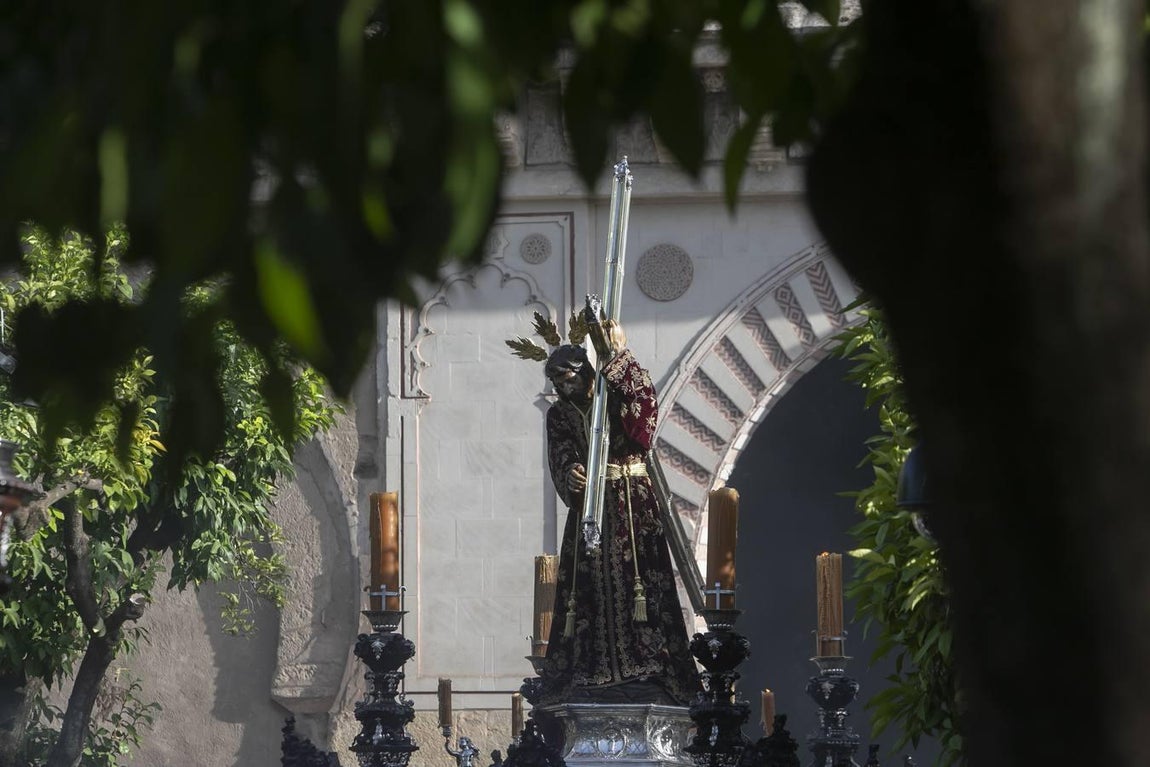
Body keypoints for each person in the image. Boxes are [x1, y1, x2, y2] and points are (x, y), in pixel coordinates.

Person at [538, 321, 696, 706]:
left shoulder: (615, 395)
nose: (563, 389)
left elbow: (645, 417)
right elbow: (559, 454)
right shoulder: (560, 414)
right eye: (557, 383)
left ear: (586, 371)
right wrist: (569, 471)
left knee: (638, 585)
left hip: (632, 504)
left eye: (569, 380)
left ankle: (647, 666)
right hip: (591, 511)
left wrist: (619, 356)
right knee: (590, 587)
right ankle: (593, 670)